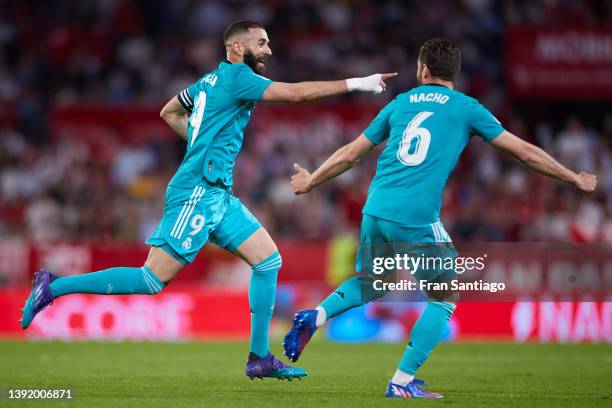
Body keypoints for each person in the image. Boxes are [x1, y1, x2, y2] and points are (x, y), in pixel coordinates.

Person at [20, 20, 397, 381]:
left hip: (218, 193)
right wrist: (359, 82)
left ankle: (259, 358)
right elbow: (295, 94)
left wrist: (201, 143)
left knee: (268, 261)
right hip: (197, 191)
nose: (269, 48)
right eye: (261, 42)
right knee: (151, 280)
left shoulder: (206, 81)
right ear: (237, 47)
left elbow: (169, 111)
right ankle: (53, 287)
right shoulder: (238, 77)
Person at [283, 38, 597, 397]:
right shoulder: (467, 108)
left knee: (375, 280)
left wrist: (311, 180)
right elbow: (524, 152)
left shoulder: (400, 104)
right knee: (445, 295)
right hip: (415, 217)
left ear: (424, 69)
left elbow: (351, 154)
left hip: (375, 209)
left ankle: (316, 316)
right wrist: (573, 177)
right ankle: (401, 382)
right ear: (453, 73)